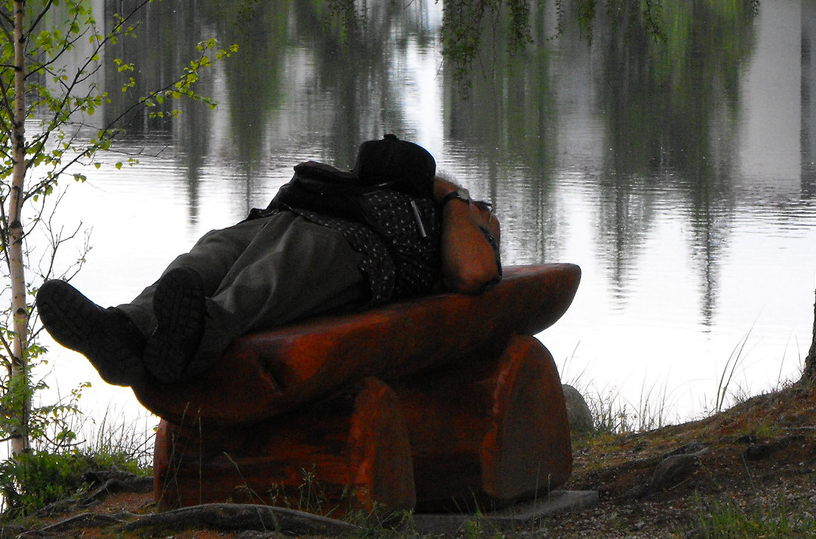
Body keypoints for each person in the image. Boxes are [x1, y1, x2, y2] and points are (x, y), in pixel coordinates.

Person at [36, 135, 500, 385]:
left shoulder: (461, 213)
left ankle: (197, 336)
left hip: (356, 253)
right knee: (203, 260)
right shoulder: (363, 187)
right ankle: (122, 332)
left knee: (269, 278)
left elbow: (474, 272)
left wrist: (449, 194)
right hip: (279, 221)